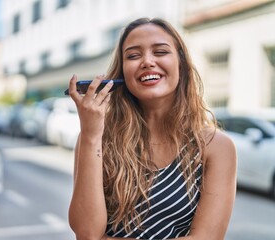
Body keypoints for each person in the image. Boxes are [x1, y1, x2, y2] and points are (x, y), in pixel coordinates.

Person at [67, 17, 237, 240]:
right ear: (122, 73)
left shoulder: (216, 146)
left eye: (160, 52)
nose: (147, 61)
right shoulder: (96, 137)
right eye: (133, 55)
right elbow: (88, 234)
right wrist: (90, 136)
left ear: (181, 64)